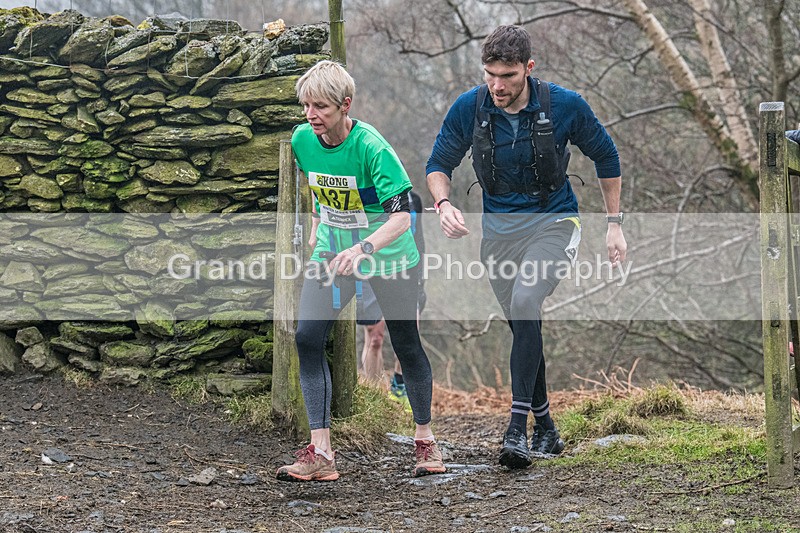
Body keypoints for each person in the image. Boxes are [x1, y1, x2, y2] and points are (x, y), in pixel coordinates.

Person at [426, 25, 626, 469]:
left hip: (555, 222)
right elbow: (439, 163)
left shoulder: (565, 106)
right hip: (499, 234)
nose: (498, 85)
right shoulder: (470, 108)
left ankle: (517, 429)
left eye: (508, 76)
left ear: (529, 70)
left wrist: (614, 225)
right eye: (490, 74)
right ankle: (547, 428)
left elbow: (607, 157)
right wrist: (442, 203)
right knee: (523, 323)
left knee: (526, 298)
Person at [276, 60, 445, 482]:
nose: (311, 115)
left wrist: (365, 245)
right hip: (335, 255)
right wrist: (319, 222)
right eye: (306, 105)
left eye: (321, 107)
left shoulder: (372, 148)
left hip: (387, 254)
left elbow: (404, 217)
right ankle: (321, 453)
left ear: (345, 105)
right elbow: (319, 185)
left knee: (405, 342)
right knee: (307, 337)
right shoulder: (302, 139)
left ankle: (425, 439)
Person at [359, 190, 427, 407]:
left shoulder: (413, 200)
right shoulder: (362, 197)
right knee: (375, 337)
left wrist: (421, 279)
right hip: (369, 269)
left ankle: (400, 385)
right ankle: (373, 396)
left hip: (404, 270)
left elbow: (419, 240)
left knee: (410, 332)